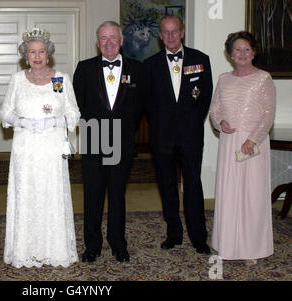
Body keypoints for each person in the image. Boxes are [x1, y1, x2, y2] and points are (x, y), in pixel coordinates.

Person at [0, 28, 80, 268]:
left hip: (52, 148)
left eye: (41, 51)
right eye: (32, 52)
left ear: (49, 54)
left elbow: (73, 112)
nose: (37, 56)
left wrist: (56, 120)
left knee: (51, 196)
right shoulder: (17, 80)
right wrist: (21, 121)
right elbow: (5, 112)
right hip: (25, 149)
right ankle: (25, 250)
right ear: (25, 55)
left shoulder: (60, 79)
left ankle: (54, 250)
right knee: (27, 196)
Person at [73, 21, 144, 263]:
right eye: (103, 38)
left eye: (113, 37)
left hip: (122, 140)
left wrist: (125, 131)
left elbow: (141, 108)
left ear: (122, 40)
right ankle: (92, 245)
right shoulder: (84, 69)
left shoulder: (137, 69)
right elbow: (77, 107)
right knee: (92, 195)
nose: (109, 42)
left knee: (117, 195)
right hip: (94, 136)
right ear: (97, 42)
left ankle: (118, 244)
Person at [142, 15, 213, 254]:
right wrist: (162, 125)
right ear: (160, 36)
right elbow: (148, 104)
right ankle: (173, 233)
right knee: (167, 185)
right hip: (162, 137)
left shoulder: (200, 60)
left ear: (182, 32)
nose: (171, 36)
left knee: (193, 185)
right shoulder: (149, 65)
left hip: (191, 136)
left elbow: (205, 99)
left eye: (175, 31)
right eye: (166, 32)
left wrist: (190, 124)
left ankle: (198, 236)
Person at [210, 31, 275, 266]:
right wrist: (220, 123)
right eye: (237, 49)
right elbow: (214, 111)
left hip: (252, 146)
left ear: (254, 52)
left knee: (252, 196)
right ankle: (226, 244)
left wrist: (253, 139)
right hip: (229, 144)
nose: (242, 54)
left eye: (247, 49)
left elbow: (268, 114)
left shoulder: (263, 78)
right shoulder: (223, 79)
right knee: (229, 194)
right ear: (230, 54)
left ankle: (252, 248)